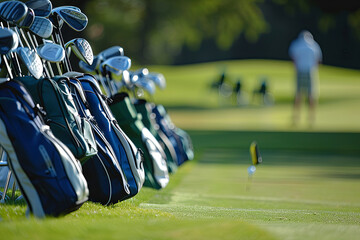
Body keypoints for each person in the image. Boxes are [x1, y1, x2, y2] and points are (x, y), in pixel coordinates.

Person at [288, 30, 322, 126]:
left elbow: (294, 59)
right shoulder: (314, 45)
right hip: (311, 71)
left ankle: (296, 118)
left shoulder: (296, 44)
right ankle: (311, 118)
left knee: (298, 94)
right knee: (311, 95)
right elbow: (318, 60)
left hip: (300, 71)